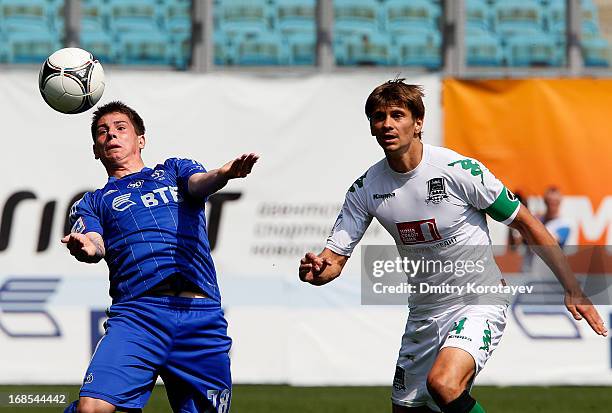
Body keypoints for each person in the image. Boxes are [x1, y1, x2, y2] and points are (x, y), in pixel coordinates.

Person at [298, 80, 607, 413]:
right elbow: (333, 261)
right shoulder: (365, 189)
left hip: (478, 302)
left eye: (397, 115)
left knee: (444, 384)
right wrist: (316, 271)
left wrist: (572, 288)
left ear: (418, 123)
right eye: (378, 117)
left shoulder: (459, 171)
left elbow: (527, 225)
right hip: (424, 313)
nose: (386, 124)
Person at [62, 101, 258, 413]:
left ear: (140, 139)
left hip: (201, 316)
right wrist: (88, 248)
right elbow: (95, 242)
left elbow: (200, 183)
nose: (111, 134)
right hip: (140, 315)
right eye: (102, 132)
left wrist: (222, 174)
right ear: (96, 150)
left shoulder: (174, 170)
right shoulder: (93, 202)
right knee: (92, 408)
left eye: (120, 128)